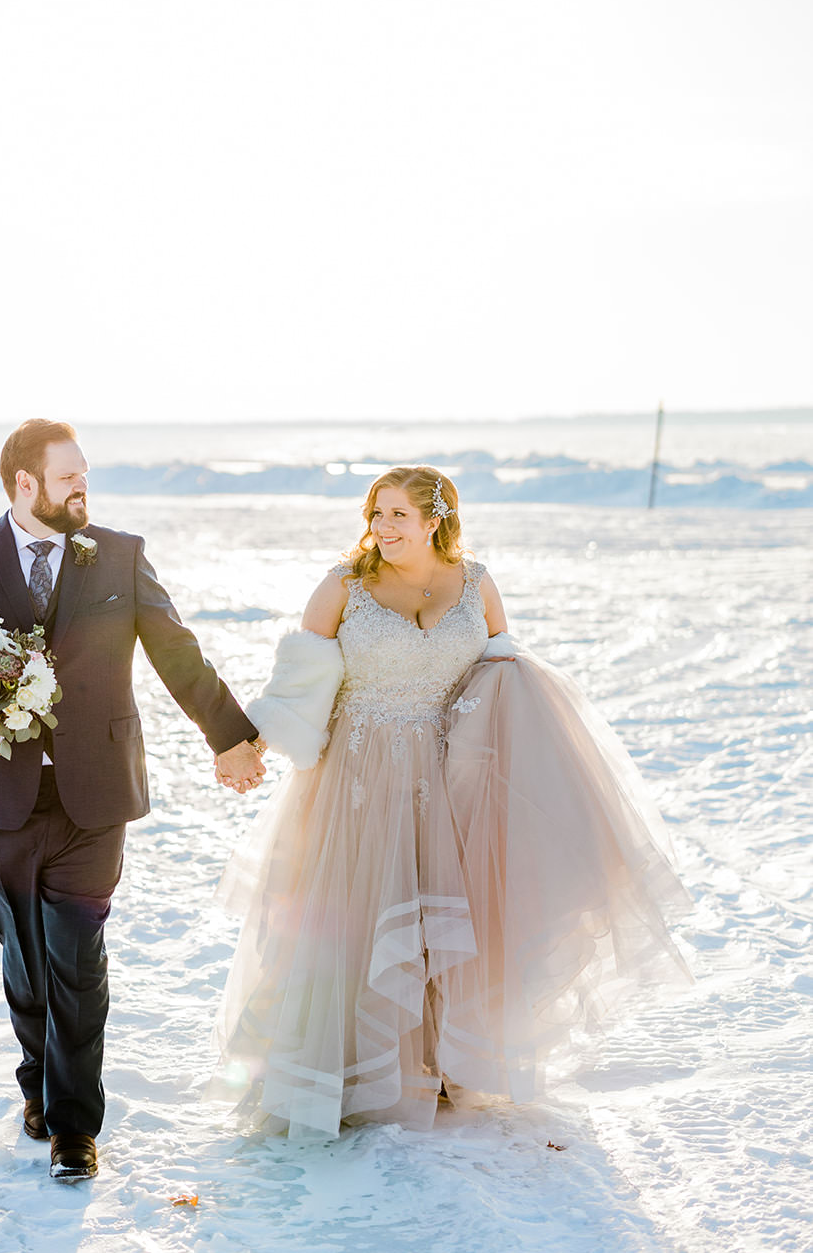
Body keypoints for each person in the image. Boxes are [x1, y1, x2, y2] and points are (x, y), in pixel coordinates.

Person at [211, 465, 691, 1139]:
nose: (381, 528)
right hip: (358, 777)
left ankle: (435, 1066)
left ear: (434, 520)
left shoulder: (477, 583)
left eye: (397, 515)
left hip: (450, 774)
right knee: (353, 919)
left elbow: (504, 676)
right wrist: (252, 745)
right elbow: (299, 682)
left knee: (447, 919)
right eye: (375, 513)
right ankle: (346, 1072)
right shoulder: (343, 585)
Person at [0, 419, 265, 1181]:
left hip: (92, 798)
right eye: (68, 477)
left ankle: (73, 1125)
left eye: (84, 474)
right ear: (24, 483)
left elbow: (176, 653)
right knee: (24, 959)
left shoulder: (119, 555)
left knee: (76, 956)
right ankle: (36, 1078)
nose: (82, 487)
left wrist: (230, 736)